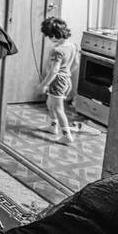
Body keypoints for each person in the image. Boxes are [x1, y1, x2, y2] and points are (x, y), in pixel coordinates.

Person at [35, 17, 79, 145]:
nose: (49, 38)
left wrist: (44, 84)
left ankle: (67, 136)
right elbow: (76, 63)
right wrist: (67, 73)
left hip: (57, 81)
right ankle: (53, 126)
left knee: (58, 109)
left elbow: (54, 70)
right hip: (65, 80)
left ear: (54, 35)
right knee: (50, 104)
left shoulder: (57, 50)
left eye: (49, 36)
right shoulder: (73, 45)